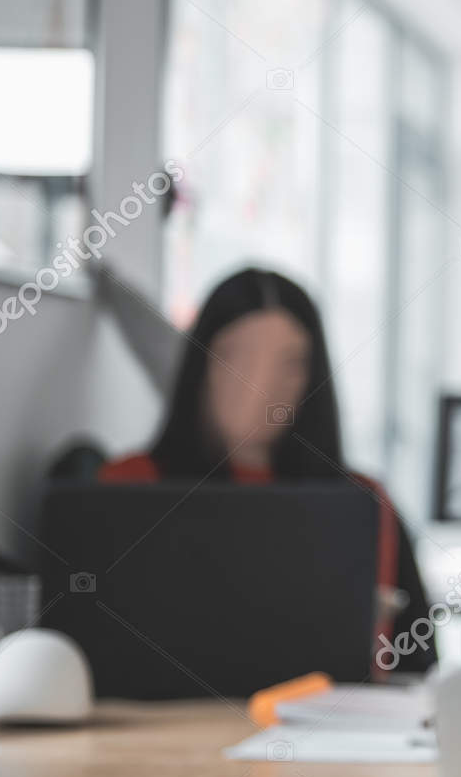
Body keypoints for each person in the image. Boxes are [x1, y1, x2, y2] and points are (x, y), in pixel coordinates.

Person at [99, 267, 437, 675]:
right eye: (236, 357)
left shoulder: (365, 503)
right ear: (200, 365)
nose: (260, 386)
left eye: (290, 363)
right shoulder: (126, 489)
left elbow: (416, 667)